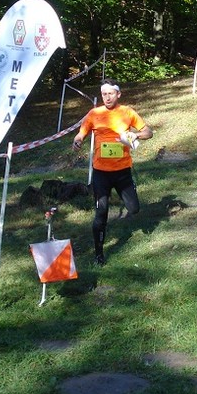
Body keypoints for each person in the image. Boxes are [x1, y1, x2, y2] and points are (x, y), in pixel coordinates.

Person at [73, 79, 153, 264]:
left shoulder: (128, 112)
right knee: (101, 213)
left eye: (110, 93)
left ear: (118, 94)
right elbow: (81, 133)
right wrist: (77, 141)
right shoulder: (94, 113)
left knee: (134, 209)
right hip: (101, 173)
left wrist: (136, 134)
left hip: (123, 171)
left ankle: (127, 196)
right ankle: (99, 254)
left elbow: (148, 132)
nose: (107, 97)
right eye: (104, 94)